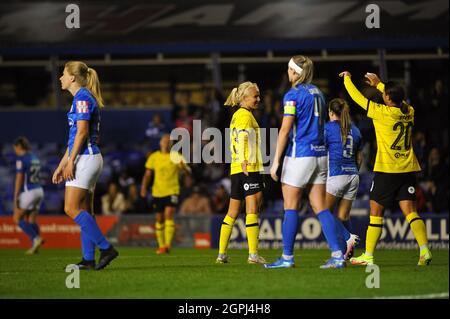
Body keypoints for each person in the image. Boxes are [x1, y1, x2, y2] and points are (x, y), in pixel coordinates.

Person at [340, 71, 432, 266]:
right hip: (407, 169)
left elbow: (358, 98)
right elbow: (402, 101)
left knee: (375, 212)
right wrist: (380, 85)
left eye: (385, 94)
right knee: (410, 211)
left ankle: (368, 255)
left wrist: (348, 78)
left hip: (388, 170)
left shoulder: (381, 112)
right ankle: (424, 250)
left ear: (389, 98)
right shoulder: (409, 112)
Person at [265, 55, 347, 269]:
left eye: (288, 69)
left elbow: (285, 130)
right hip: (320, 155)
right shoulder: (318, 92)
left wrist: (275, 162)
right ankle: (338, 255)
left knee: (290, 206)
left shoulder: (292, 96)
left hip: (300, 155)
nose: (287, 73)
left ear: (294, 72)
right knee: (320, 207)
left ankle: (287, 257)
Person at [53, 61, 118, 270]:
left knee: (70, 208)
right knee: (85, 211)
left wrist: (70, 161)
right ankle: (88, 259)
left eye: (63, 74)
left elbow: (82, 133)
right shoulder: (82, 98)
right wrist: (61, 164)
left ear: (72, 77)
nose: (61, 78)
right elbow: (74, 138)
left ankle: (106, 248)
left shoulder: (82, 97)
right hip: (87, 157)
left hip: (85, 158)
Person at [216, 81, 267, 265]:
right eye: (255, 96)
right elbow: (243, 138)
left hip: (236, 168)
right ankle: (253, 255)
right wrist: (246, 161)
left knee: (232, 212)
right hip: (248, 167)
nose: (258, 99)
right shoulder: (245, 115)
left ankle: (222, 254)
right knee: (252, 210)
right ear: (245, 98)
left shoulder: (237, 115)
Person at [324, 98, 363, 260]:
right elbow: (359, 158)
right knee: (343, 216)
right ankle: (347, 253)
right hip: (353, 175)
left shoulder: (327, 129)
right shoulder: (355, 130)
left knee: (324, 211)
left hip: (337, 174)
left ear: (331, 113)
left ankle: (348, 237)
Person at [140, 134, 191, 254]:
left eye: (169, 141)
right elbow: (148, 174)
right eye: (164, 140)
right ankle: (161, 245)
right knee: (159, 218)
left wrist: (184, 168)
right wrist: (143, 187)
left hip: (172, 190)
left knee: (168, 214)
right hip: (158, 191)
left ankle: (167, 245)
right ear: (160, 143)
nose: (166, 143)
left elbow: (188, 172)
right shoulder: (154, 157)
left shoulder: (176, 156)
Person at [12, 137, 45, 254]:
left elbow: (19, 179)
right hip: (39, 190)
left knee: (17, 218)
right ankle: (35, 246)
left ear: (19, 147)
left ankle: (36, 238)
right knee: (31, 219)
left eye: (15, 147)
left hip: (29, 191)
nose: (14, 150)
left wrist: (15, 196)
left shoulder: (21, 159)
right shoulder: (34, 157)